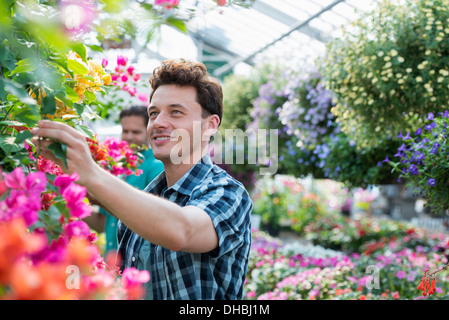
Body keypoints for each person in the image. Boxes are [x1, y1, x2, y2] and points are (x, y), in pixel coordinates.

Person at [32, 59, 253, 300]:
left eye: (176, 112)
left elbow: (182, 231)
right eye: (154, 113)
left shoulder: (228, 193)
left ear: (210, 126)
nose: (158, 123)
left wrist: (92, 174)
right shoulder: (149, 196)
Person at [84, 106, 164, 255]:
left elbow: (148, 220)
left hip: (136, 264)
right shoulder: (118, 167)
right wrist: (72, 203)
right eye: (125, 131)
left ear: (149, 131)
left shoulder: (155, 167)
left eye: (136, 132)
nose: (129, 137)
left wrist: (99, 200)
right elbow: (102, 224)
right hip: (112, 262)